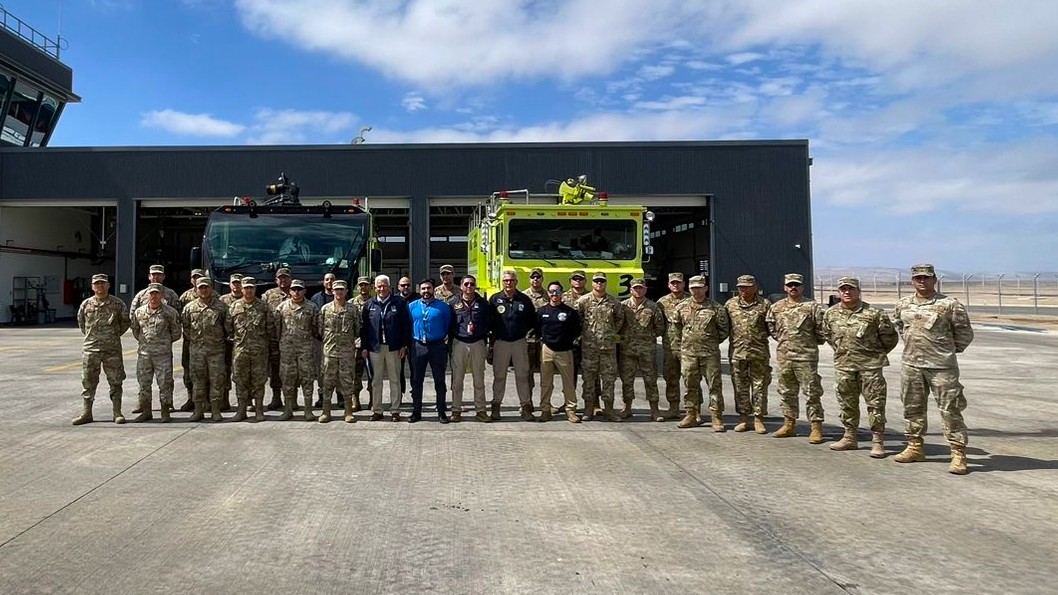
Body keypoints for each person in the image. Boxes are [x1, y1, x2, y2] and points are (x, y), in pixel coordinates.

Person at [892, 264, 975, 474]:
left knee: (950, 410)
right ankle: (914, 447)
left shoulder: (949, 305)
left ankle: (958, 453)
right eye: (918, 277)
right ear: (912, 280)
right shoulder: (903, 304)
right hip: (912, 364)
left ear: (934, 279)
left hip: (941, 367)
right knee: (912, 408)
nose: (922, 281)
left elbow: (964, 333)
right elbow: (901, 328)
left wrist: (945, 351)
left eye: (926, 277)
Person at [823, 277, 900, 457]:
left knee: (875, 404)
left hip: (870, 367)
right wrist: (843, 351)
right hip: (844, 366)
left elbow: (889, 338)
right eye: (843, 289)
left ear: (859, 291)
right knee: (846, 403)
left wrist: (872, 354)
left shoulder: (874, 313)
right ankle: (850, 437)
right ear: (839, 292)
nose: (847, 292)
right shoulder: (831, 314)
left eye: (851, 289)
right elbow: (828, 335)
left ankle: (877, 440)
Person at [766, 273, 827, 443]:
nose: (793, 288)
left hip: (806, 357)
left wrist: (808, 343)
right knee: (786, 392)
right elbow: (771, 326)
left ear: (802, 287)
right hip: (784, 357)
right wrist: (784, 340)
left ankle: (815, 427)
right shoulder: (777, 307)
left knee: (812, 392)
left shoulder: (812, 306)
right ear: (785, 287)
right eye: (790, 285)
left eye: (797, 285)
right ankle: (789, 424)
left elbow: (821, 330)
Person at [73, 274, 131, 425]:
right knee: (88, 381)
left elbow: (125, 323)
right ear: (92, 287)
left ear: (108, 285)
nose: (100, 286)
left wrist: (112, 336)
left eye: (102, 283)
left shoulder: (117, 304)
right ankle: (87, 413)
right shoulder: (86, 304)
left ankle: (117, 412)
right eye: (96, 284)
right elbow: (82, 324)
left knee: (116, 381)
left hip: (112, 349)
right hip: (91, 349)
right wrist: (93, 338)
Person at [675, 275, 730, 429]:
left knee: (714, 386)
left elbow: (723, 330)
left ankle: (716, 417)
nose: (697, 291)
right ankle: (691, 414)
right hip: (689, 354)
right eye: (693, 288)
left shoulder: (716, 308)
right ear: (689, 289)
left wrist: (709, 342)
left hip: (709, 354)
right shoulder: (681, 307)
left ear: (705, 288)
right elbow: (678, 328)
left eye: (700, 288)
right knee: (690, 385)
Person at [128, 264, 181, 415]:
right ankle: (143, 405)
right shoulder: (140, 296)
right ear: (149, 276)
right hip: (146, 349)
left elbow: (177, 322)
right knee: (144, 379)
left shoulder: (171, 295)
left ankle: (167, 404)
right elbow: (134, 321)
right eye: (153, 274)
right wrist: (144, 339)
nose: (156, 277)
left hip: (163, 349)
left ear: (163, 276)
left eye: (159, 274)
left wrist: (165, 340)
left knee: (165, 379)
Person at [575, 272, 626, 422]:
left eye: (602, 281)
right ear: (592, 283)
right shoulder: (583, 301)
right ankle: (588, 408)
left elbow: (619, 320)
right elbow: (577, 320)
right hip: (589, 348)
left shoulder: (613, 302)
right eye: (596, 281)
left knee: (609, 379)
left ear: (606, 283)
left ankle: (609, 409)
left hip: (608, 349)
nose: (599, 284)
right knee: (589, 379)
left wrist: (608, 333)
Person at [725, 274, 773, 433]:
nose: (744, 290)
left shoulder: (765, 304)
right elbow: (724, 327)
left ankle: (759, 418)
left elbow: (772, 328)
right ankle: (743, 418)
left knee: (760, 386)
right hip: (738, 353)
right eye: (741, 287)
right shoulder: (730, 305)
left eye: (747, 287)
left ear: (755, 288)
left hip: (759, 353)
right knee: (740, 386)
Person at [361, 275, 412, 422]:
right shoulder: (369, 305)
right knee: (376, 380)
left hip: (394, 347)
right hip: (375, 348)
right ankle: (377, 410)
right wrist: (364, 347)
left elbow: (405, 325)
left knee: (395, 379)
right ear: (374, 288)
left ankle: (395, 410)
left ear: (389, 287)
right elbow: (364, 329)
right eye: (379, 286)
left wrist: (404, 345)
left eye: (384, 286)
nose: (381, 289)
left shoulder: (399, 302)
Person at [488, 269, 537, 421]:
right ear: (502, 283)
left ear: (516, 282)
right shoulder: (495, 299)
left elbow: (532, 320)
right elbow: (489, 320)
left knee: (522, 376)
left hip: (519, 342)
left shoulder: (524, 300)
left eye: (511, 281)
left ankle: (526, 407)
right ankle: (496, 408)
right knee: (499, 376)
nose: (508, 283)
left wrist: (522, 332)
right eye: (506, 281)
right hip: (501, 342)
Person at [226, 277, 276, 422]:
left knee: (259, 381)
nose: (249, 290)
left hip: (259, 352)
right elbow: (229, 328)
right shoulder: (234, 307)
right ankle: (241, 411)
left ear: (255, 289)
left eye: (251, 288)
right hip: (240, 351)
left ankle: (259, 410)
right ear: (241, 289)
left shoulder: (263, 307)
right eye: (246, 287)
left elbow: (270, 328)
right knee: (240, 381)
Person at [408, 278, 456, 423]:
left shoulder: (444, 307)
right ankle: (417, 411)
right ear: (419, 290)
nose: (425, 291)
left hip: (437, 346)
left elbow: (448, 324)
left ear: (433, 290)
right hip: (418, 346)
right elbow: (409, 324)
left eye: (428, 288)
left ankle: (441, 411)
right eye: (423, 289)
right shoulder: (412, 306)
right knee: (416, 380)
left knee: (439, 380)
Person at [182, 276, 228, 422]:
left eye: (206, 287)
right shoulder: (189, 308)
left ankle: (215, 410)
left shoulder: (221, 307)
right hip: (197, 351)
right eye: (201, 287)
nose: (204, 290)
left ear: (211, 288)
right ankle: (198, 411)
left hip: (216, 351)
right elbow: (186, 328)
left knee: (217, 380)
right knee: (197, 381)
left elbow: (228, 328)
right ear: (196, 289)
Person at [535, 281, 582, 423]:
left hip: (565, 350)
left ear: (561, 293)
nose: (554, 294)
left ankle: (571, 410)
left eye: (557, 291)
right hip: (547, 349)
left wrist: (566, 341)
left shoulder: (570, 312)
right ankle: (545, 410)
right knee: (545, 382)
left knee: (568, 383)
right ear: (548, 293)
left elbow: (576, 330)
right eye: (551, 291)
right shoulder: (542, 311)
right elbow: (537, 329)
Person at [276, 279, 322, 421]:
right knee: (287, 380)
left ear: (304, 291)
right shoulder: (282, 308)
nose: (296, 292)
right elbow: (277, 330)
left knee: (307, 380)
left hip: (305, 350)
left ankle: (308, 410)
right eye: (294, 289)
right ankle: (288, 410)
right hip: (287, 351)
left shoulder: (312, 308)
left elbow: (316, 329)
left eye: (299, 289)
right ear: (289, 291)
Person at [619, 278, 665, 421]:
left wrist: (646, 338)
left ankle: (654, 410)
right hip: (627, 350)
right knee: (627, 379)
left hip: (647, 351)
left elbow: (660, 327)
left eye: (641, 288)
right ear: (631, 290)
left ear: (645, 289)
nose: (638, 291)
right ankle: (627, 408)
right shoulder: (623, 306)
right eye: (635, 288)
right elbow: (618, 325)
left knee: (651, 380)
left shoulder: (653, 306)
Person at [318, 280, 362, 423]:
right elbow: (319, 330)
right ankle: (326, 412)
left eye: (342, 290)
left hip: (346, 352)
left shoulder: (353, 309)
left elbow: (357, 329)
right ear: (332, 291)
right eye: (336, 290)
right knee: (327, 382)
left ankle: (348, 412)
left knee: (347, 381)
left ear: (346, 291)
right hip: (329, 352)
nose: (339, 292)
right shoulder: (325, 309)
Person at [449, 275, 490, 422]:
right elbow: (449, 324)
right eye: (466, 284)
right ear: (461, 286)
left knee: (479, 379)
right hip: (459, 343)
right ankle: (456, 410)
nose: (469, 287)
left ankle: (481, 410)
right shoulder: (453, 303)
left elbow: (488, 322)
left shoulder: (483, 303)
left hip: (477, 343)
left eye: (472, 284)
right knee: (457, 380)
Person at [656, 272, 689, 419]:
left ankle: (693, 411)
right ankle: (673, 408)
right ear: (669, 285)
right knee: (671, 378)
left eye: (678, 283)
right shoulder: (662, 302)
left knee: (691, 380)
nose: (676, 285)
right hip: (670, 347)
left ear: (683, 284)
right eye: (673, 283)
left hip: (689, 348)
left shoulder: (692, 299)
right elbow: (657, 323)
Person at [260, 267, 293, 411]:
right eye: (280, 278)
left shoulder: (296, 293)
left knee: (292, 370)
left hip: (291, 340)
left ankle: (292, 399)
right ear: (276, 280)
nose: (283, 280)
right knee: (275, 369)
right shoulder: (269, 295)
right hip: (273, 339)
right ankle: (276, 397)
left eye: (285, 277)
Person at [175, 268, 206, 413]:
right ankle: (190, 398)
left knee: (210, 372)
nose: (196, 280)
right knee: (188, 370)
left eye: (199, 277)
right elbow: (181, 319)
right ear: (191, 280)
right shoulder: (185, 297)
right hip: (190, 341)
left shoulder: (214, 296)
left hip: (210, 343)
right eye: (194, 277)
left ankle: (207, 400)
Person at [310, 272, 337, 408]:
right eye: (327, 280)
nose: (329, 282)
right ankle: (322, 396)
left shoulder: (342, 297)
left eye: (332, 279)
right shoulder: (316, 299)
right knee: (321, 370)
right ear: (323, 282)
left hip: (338, 341)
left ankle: (341, 397)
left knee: (338, 369)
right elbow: (312, 320)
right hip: (320, 340)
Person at [523, 267, 548, 409]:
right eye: (533, 277)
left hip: (545, 341)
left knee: (546, 375)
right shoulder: (524, 296)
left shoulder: (548, 296)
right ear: (529, 279)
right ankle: (527, 402)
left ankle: (545, 404)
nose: (535, 279)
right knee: (527, 374)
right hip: (528, 340)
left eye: (538, 277)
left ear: (542, 279)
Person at [218, 274, 243, 411]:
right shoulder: (222, 300)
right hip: (225, 342)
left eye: (239, 283)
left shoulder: (249, 300)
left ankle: (247, 401)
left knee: (243, 372)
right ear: (230, 284)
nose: (236, 286)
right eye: (234, 283)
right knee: (225, 370)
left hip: (243, 342)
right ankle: (225, 399)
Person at [350, 276, 374, 410]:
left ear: (370, 287)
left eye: (366, 285)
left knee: (373, 373)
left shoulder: (375, 302)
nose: (363, 287)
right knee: (355, 374)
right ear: (357, 287)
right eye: (361, 285)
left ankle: (372, 400)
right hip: (356, 344)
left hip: (371, 343)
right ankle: (355, 401)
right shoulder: (351, 303)